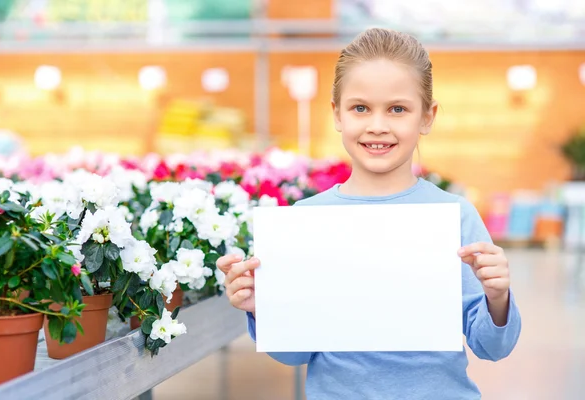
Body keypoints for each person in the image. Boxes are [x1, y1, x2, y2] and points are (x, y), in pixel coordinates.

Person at [216, 28, 521, 399]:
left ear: (427, 117)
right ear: (337, 114)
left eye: (398, 109)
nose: (378, 125)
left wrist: (497, 297)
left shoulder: (454, 215)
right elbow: (295, 353)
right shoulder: (305, 221)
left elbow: (493, 347)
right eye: (360, 108)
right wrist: (262, 310)